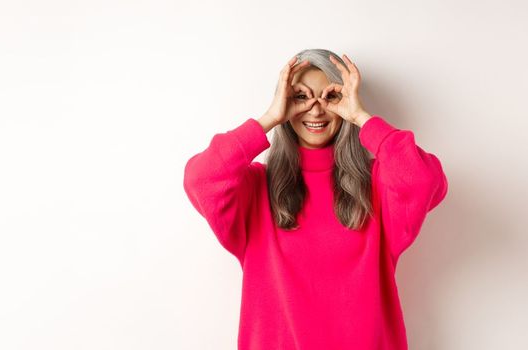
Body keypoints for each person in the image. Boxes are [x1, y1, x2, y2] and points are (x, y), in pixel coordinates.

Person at [182, 48, 449, 349]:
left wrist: (363, 117)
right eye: (301, 97)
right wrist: (269, 118)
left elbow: (424, 180)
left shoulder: (378, 185)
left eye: (331, 97)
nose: (316, 109)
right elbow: (200, 178)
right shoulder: (255, 188)